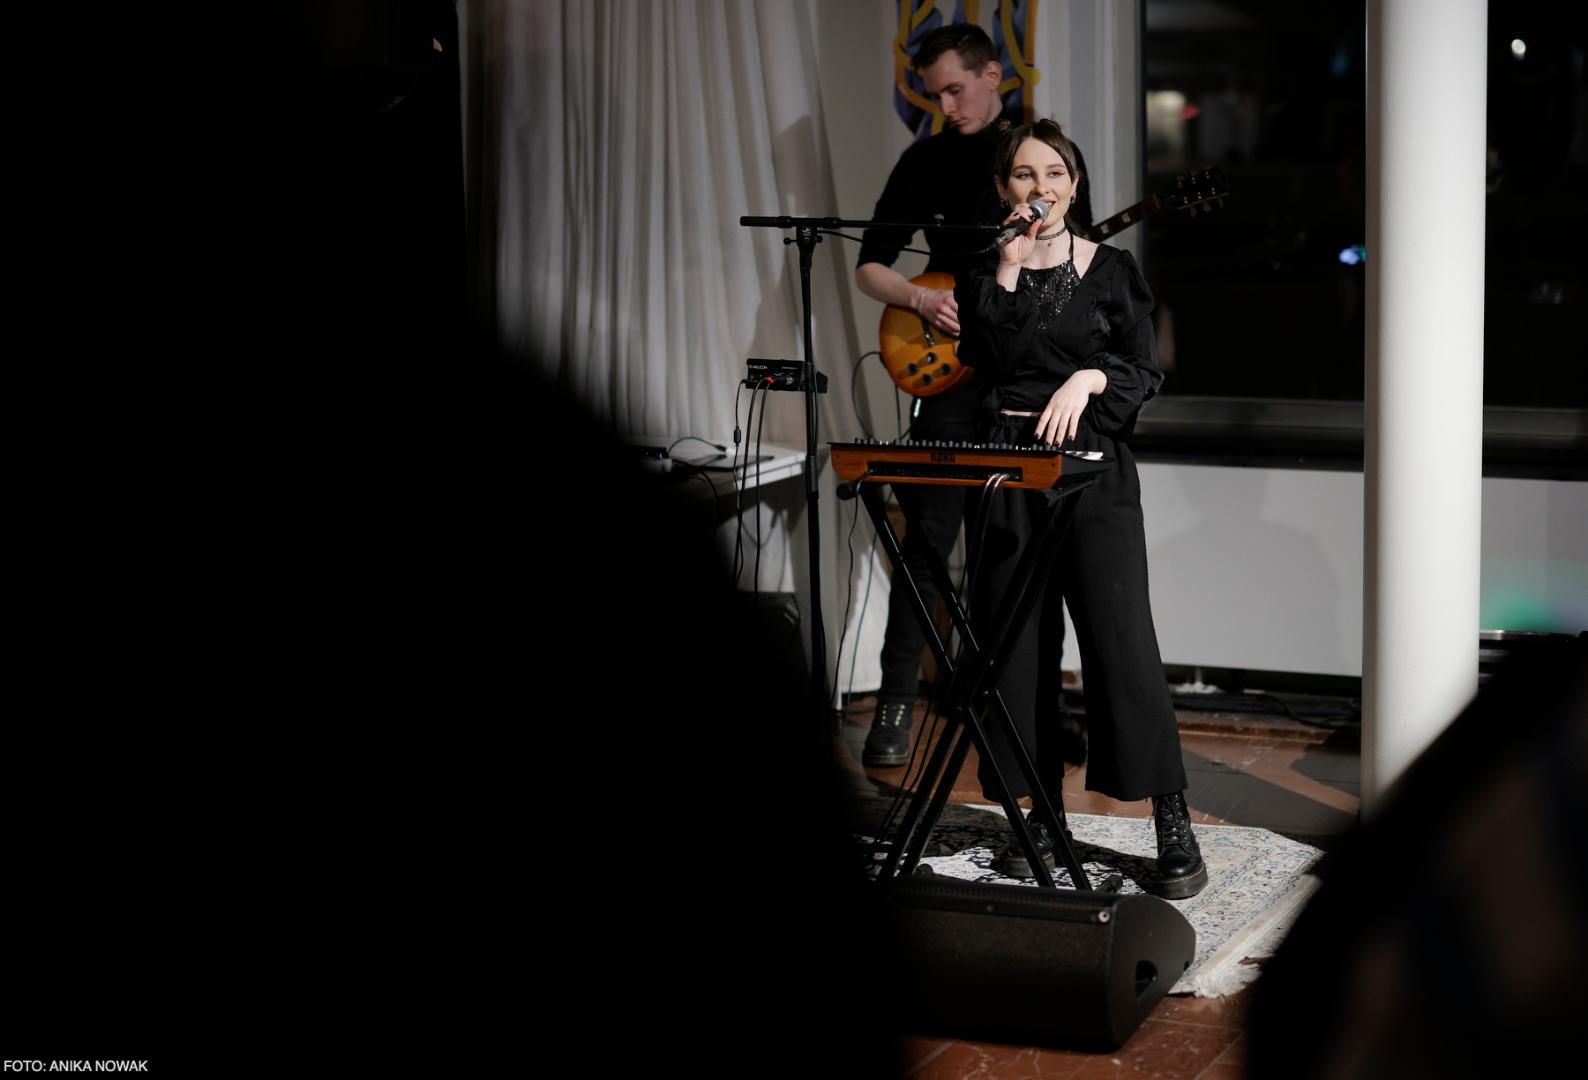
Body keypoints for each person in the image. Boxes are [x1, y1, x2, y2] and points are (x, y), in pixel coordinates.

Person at [955, 119, 1205, 898]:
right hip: (1008, 471)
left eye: (1055, 173)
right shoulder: (985, 270)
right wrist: (1007, 266)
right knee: (1015, 647)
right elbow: (985, 360)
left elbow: (1143, 371)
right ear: (1004, 189)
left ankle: (1170, 815)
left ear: (1075, 182)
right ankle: (1039, 813)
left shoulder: (1113, 269)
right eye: (1025, 175)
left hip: (1093, 472)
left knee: (1121, 642)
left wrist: (1090, 378)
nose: (1043, 188)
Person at [856, 24, 1088, 769]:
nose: (946, 106)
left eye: (955, 89)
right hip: (951, 374)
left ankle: (1031, 711)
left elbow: (1076, 259)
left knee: (1021, 550)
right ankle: (896, 705)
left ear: (993, 74)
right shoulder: (924, 161)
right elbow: (870, 265)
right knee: (927, 542)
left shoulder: (1037, 158)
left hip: (1022, 378)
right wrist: (922, 301)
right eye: (936, 95)